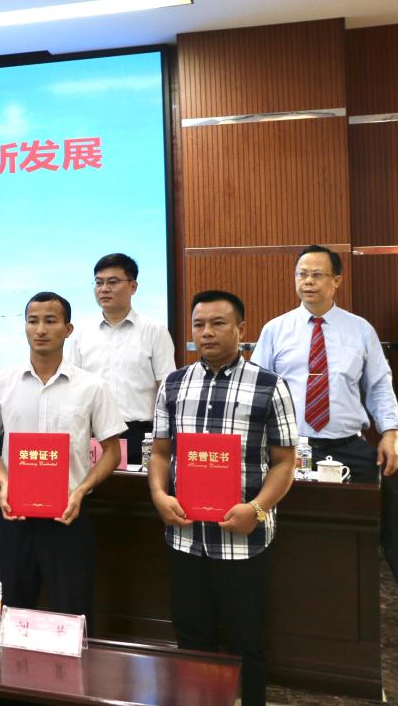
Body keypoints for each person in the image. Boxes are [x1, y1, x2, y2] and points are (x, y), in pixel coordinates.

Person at [149, 290, 297, 706]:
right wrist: (159, 495)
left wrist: (258, 509)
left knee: (246, 641)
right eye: (199, 325)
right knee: (191, 637)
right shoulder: (174, 384)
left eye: (218, 323)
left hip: (243, 541)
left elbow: (285, 462)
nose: (207, 333)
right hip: (185, 537)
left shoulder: (270, 386)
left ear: (241, 329)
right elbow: (159, 452)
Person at [0, 292, 126, 619]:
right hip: (14, 516)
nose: (41, 329)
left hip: (68, 517)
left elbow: (112, 451)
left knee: (72, 613)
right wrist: (4, 481)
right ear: (25, 327)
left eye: (50, 321)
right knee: (11, 614)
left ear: (68, 329)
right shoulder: (0, 383)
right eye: (33, 321)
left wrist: (81, 490)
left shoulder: (92, 386)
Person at [251, 244, 398, 483]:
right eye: (302, 274)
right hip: (290, 449)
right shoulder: (275, 330)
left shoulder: (360, 330)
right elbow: (257, 390)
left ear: (336, 280)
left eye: (317, 274)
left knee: (370, 504)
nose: (308, 281)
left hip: (349, 447)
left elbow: (379, 385)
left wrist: (390, 433)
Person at [67, 253, 177, 464]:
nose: (104, 289)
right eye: (99, 282)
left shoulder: (155, 331)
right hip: (92, 436)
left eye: (113, 282)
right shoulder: (81, 333)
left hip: (139, 434)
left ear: (133, 287)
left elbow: (166, 389)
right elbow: (72, 387)